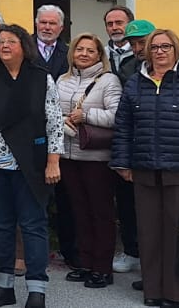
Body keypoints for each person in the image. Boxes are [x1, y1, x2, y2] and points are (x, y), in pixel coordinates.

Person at [111, 29, 179, 308]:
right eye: (154, 47)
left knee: (176, 232)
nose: (159, 51)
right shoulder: (135, 83)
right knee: (148, 231)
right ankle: (153, 290)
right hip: (144, 167)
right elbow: (123, 126)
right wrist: (122, 161)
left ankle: (175, 292)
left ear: (175, 49)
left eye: (165, 46)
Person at [0, 24, 65, 308]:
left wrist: (53, 160)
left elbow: (55, 121)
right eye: (0, 42)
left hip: (30, 163)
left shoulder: (40, 78)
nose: (4, 46)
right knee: (1, 225)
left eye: (10, 41)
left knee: (33, 225)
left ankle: (37, 289)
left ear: (24, 46)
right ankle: (3, 285)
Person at [55, 33, 122, 289]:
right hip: (68, 154)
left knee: (100, 213)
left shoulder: (108, 81)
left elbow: (117, 116)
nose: (83, 54)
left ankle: (102, 268)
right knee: (78, 211)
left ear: (99, 55)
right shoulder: (63, 80)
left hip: (96, 158)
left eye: (90, 50)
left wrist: (87, 115)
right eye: (79, 49)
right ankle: (84, 262)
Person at [112, 17, 157, 275]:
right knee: (128, 205)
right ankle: (132, 252)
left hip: (168, 148)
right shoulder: (128, 68)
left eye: (142, 42)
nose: (139, 48)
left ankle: (160, 260)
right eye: (134, 43)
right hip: (133, 145)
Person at [33, 5, 69, 79]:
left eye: (52, 23)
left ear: (61, 28)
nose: (47, 27)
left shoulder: (69, 53)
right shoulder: (23, 48)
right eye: (43, 22)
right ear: (36, 24)